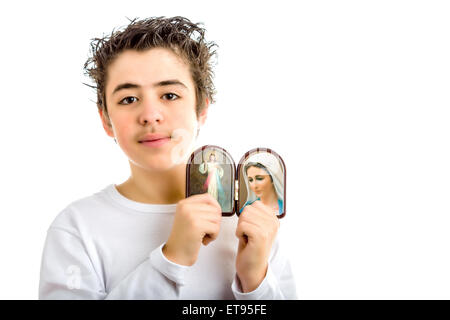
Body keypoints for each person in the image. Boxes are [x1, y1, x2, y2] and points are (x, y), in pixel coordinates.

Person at [38, 16, 297, 299]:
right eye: (128, 99)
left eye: (170, 95)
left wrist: (256, 282)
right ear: (106, 120)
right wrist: (171, 259)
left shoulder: (250, 224)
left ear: (202, 110)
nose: (150, 115)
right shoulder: (77, 228)